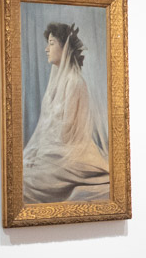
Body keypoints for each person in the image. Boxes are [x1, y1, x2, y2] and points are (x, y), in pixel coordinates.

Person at [22, 22, 111, 204]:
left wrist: (43, 153)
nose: (46, 49)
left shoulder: (75, 82)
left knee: (28, 182)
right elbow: (46, 125)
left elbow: (66, 133)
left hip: (69, 153)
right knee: (24, 169)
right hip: (54, 149)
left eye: (51, 43)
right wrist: (37, 151)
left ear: (65, 48)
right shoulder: (55, 83)